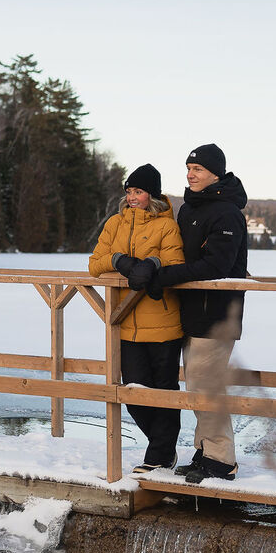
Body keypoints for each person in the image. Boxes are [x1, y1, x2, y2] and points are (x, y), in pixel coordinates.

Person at [146, 144, 249, 484]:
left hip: (217, 315)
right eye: (188, 168)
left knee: (207, 388)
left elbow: (217, 265)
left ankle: (222, 460)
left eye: (198, 170)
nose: (190, 174)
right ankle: (205, 452)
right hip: (191, 311)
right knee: (196, 387)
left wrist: (166, 277)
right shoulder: (192, 209)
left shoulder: (226, 213)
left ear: (215, 173)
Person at [88, 164, 186, 473]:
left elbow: (175, 262)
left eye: (139, 192)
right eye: (129, 191)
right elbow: (94, 264)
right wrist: (121, 261)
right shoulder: (114, 224)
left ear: (152, 195)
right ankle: (163, 447)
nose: (132, 197)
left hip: (164, 322)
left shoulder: (167, 226)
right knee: (133, 393)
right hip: (125, 322)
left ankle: (157, 456)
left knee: (164, 391)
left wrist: (152, 263)